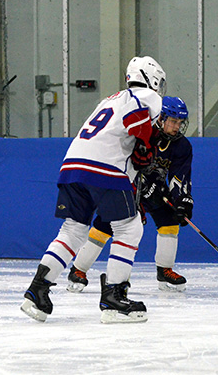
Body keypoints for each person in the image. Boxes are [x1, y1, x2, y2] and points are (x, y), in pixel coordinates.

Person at [21, 56, 167, 323]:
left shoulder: (110, 99)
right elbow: (137, 123)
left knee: (73, 230)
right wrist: (147, 145)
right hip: (104, 168)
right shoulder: (148, 96)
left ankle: (37, 291)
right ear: (153, 79)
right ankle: (114, 297)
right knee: (130, 227)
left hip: (72, 166)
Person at [66, 96, 193, 293]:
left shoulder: (182, 146)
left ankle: (165, 270)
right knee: (106, 223)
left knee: (169, 219)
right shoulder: (144, 133)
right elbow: (126, 163)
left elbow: (180, 176)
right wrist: (142, 185)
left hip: (155, 191)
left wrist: (182, 200)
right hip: (127, 186)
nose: (177, 126)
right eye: (173, 121)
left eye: (180, 122)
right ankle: (78, 269)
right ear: (161, 118)